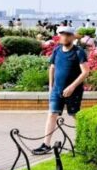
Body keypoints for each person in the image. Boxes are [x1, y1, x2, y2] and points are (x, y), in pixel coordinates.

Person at [32, 26, 89, 155]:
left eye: (68, 34)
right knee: (52, 114)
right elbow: (52, 68)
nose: (65, 37)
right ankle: (46, 145)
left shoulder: (79, 52)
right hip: (57, 90)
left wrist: (72, 87)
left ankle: (85, 141)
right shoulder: (57, 50)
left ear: (72, 37)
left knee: (75, 115)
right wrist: (51, 86)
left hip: (73, 91)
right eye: (62, 34)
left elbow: (85, 72)